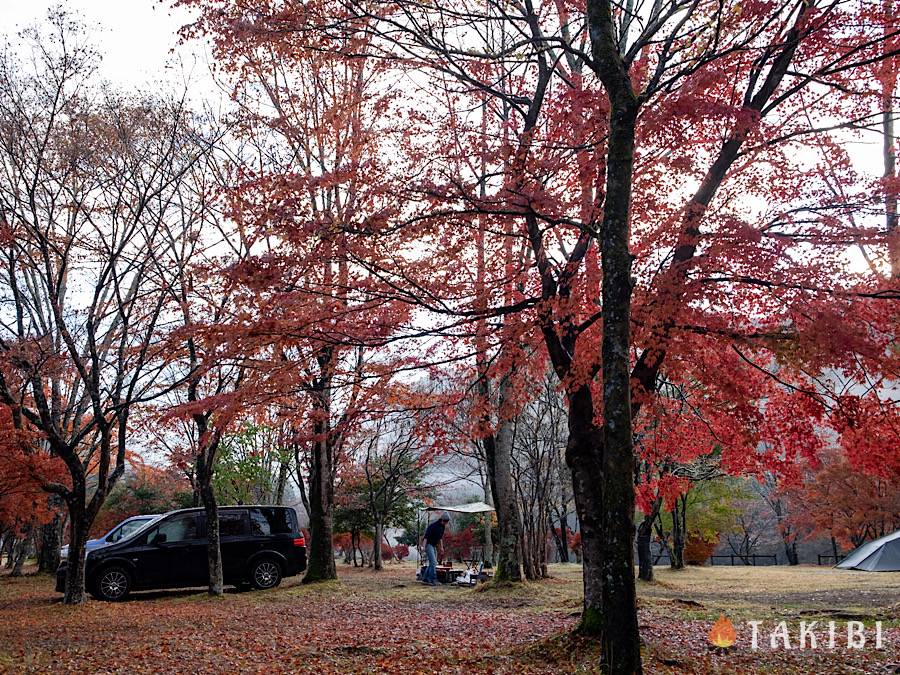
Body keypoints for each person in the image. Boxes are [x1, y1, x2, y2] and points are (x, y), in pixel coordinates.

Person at [421, 511, 450, 586]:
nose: (446, 523)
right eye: (445, 521)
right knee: (433, 562)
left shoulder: (442, 527)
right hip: (428, 545)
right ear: (442, 520)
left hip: (433, 545)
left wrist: (441, 547)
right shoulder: (433, 526)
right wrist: (423, 548)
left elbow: (440, 538)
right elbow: (426, 537)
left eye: (447, 522)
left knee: (432, 563)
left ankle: (425, 578)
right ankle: (432, 580)